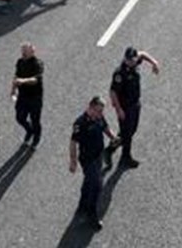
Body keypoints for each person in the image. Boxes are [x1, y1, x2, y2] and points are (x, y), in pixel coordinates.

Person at [108, 46, 161, 169]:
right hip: (125, 107)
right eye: (129, 60)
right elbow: (113, 92)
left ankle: (111, 148)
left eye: (133, 59)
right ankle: (125, 158)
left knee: (132, 130)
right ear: (125, 59)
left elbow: (142, 54)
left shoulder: (135, 60)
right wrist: (118, 109)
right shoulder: (120, 73)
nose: (132, 62)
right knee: (127, 133)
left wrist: (154, 63)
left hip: (135, 104)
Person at [70, 96, 118, 230]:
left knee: (88, 182)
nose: (100, 114)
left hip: (98, 156)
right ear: (90, 108)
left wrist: (113, 137)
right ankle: (92, 213)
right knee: (97, 185)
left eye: (102, 111)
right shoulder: (80, 124)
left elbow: (105, 128)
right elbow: (73, 142)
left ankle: (82, 205)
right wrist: (73, 161)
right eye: (98, 111)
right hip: (87, 159)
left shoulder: (99, 118)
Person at [12, 42, 44, 148]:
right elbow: (16, 76)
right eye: (22, 51)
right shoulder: (20, 62)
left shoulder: (38, 63)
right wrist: (13, 89)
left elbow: (35, 80)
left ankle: (36, 137)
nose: (23, 54)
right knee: (20, 117)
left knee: (35, 119)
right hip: (22, 96)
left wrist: (22, 81)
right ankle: (29, 130)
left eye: (25, 51)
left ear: (32, 52)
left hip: (35, 97)